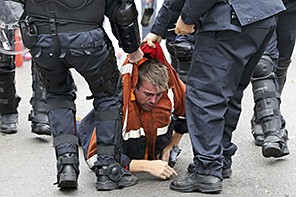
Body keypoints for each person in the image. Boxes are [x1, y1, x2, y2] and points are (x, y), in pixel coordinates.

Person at [143, 0, 286, 194]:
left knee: (204, 95)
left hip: (231, 18)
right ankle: (220, 159)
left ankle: (207, 170)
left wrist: (186, 18)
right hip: (263, 14)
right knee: (230, 90)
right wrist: (159, 27)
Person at [18, 0, 143, 191]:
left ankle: (66, 166)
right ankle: (108, 169)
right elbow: (122, 9)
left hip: (41, 38)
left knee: (57, 94)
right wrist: (132, 48)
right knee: (108, 95)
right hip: (86, 38)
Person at [78, 42, 187, 180]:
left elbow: (187, 115)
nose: (154, 101)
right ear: (134, 88)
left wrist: (171, 146)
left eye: (158, 94)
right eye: (148, 94)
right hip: (97, 126)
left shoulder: (172, 89)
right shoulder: (118, 102)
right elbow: (95, 158)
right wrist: (146, 166)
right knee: (81, 129)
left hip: (143, 145)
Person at [250, 0, 296, 152]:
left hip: (290, 6)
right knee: (264, 64)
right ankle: (272, 127)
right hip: (263, 4)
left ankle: (261, 114)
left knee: (282, 61)